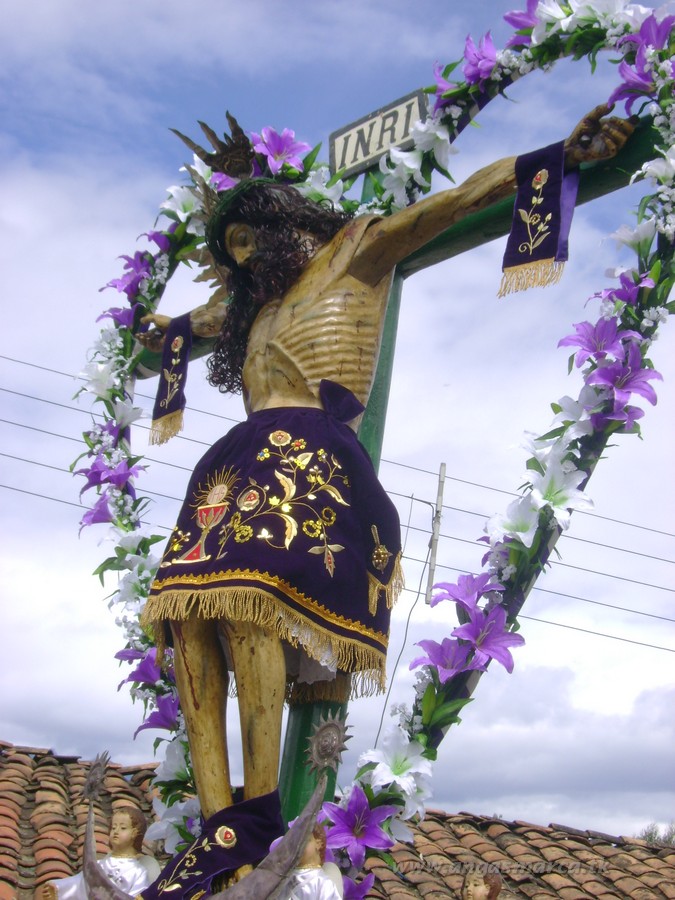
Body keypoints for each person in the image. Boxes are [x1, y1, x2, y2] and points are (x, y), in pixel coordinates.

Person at [139, 105, 634, 822]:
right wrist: (162, 335)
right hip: (234, 463)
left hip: (311, 452)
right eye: (231, 246)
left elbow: (453, 200)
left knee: (249, 608)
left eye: (249, 238)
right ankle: (221, 819)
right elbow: (185, 333)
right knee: (189, 618)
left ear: (283, 225)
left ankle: (260, 805)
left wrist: (563, 152)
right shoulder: (252, 306)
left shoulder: (355, 251)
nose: (241, 257)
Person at [39, 806, 161, 899]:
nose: (116, 831)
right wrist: (58, 889)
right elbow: (80, 882)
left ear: (135, 833)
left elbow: (140, 896)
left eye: (123, 828)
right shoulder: (99, 865)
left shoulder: (138, 871)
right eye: (113, 827)